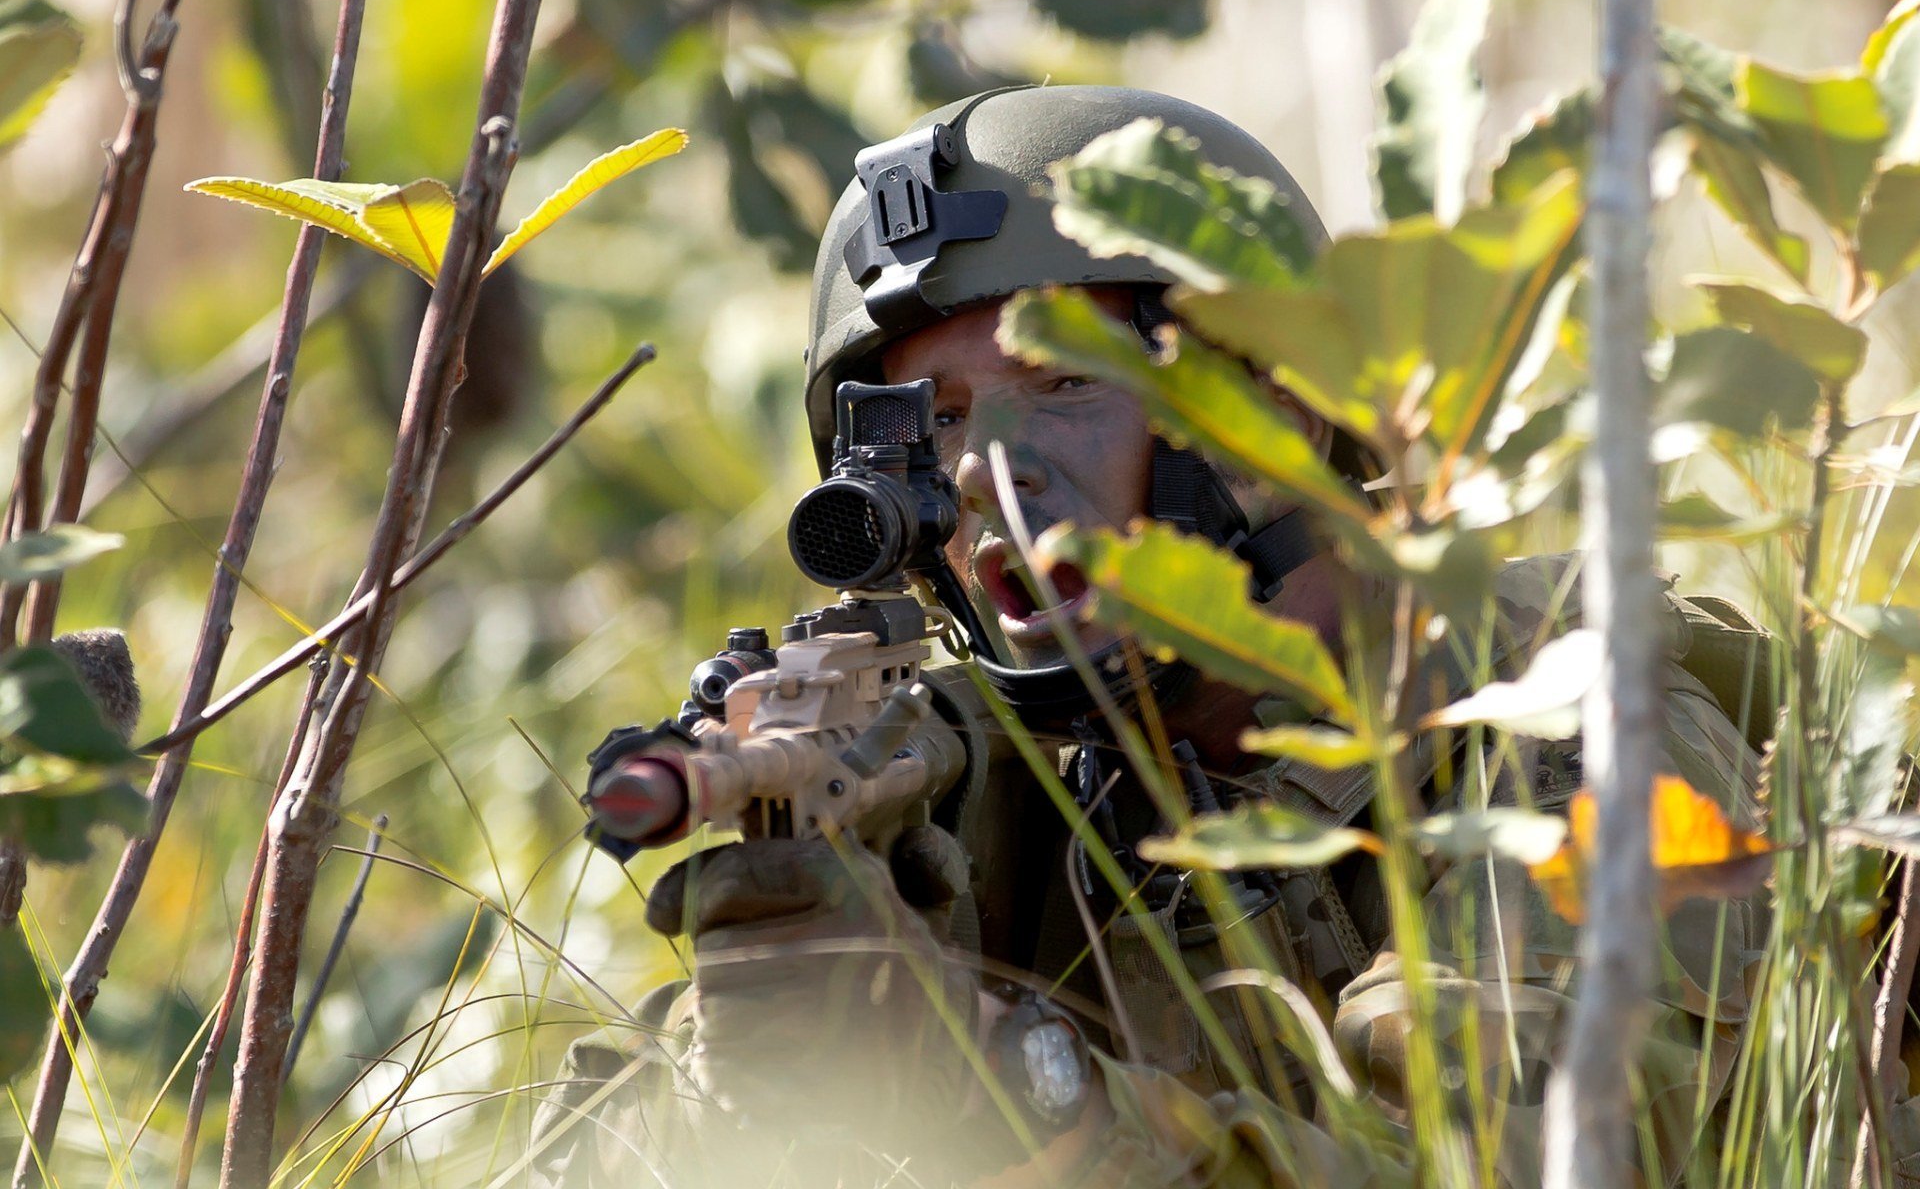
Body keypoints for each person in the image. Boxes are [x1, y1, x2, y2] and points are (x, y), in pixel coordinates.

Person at [529, 85, 1772, 1188]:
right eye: (935, 423)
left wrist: (1009, 1091)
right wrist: (750, 1061)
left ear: (1273, 411)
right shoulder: (965, 785)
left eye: (1064, 381)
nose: (982, 474)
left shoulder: (1577, 739)